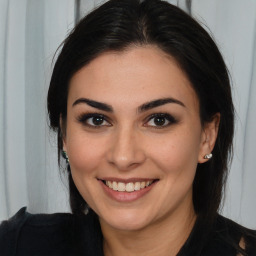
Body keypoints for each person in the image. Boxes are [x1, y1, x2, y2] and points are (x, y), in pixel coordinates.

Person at [0, 0, 256, 255]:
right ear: (65, 134)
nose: (123, 157)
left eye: (159, 120)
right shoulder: (16, 245)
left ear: (207, 136)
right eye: (96, 120)